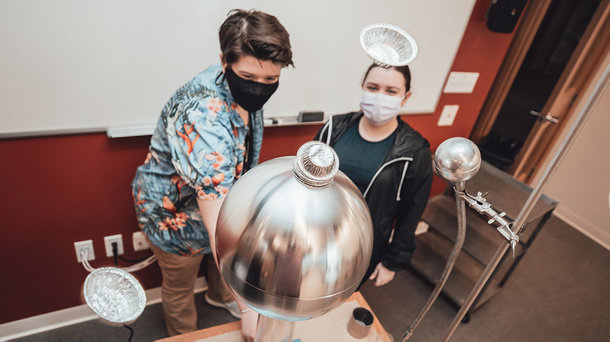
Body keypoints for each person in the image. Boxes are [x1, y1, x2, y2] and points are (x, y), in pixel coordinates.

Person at [131, 9, 293, 341]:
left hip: (219, 203)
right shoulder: (202, 117)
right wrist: (249, 308)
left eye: (270, 81)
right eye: (248, 79)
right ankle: (184, 337)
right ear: (224, 61)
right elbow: (216, 221)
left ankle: (219, 295)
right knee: (179, 288)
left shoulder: (243, 78)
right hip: (172, 217)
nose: (259, 89)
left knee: (225, 254)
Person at [314, 64, 433, 287]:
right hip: (314, 233)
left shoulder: (414, 151)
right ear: (362, 87)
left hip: (361, 247)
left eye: (391, 91)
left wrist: (392, 262)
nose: (380, 97)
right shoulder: (334, 128)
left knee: (336, 299)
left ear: (405, 97)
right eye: (373, 87)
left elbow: (411, 213)